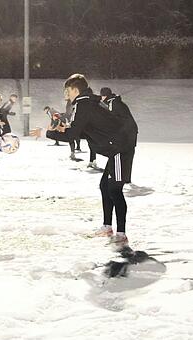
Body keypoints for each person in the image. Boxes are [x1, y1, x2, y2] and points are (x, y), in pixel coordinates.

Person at [33, 74, 134, 246]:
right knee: (105, 186)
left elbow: (73, 135)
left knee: (115, 190)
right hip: (116, 146)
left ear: (75, 89)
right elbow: (82, 128)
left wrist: (47, 133)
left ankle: (121, 233)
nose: (66, 93)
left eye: (67, 90)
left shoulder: (83, 104)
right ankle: (107, 227)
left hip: (120, 148)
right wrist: (64, 128)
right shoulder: (85, 103)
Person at [99, 87, 138, 175]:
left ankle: (121, 177)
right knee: (128, 155)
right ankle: (127, 178)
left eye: (102, 96)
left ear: (105, 96)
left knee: (120, 155)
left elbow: (112, 119)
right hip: (131, 131)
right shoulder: (117, 102)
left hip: (126, 132)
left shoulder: (112, 103)